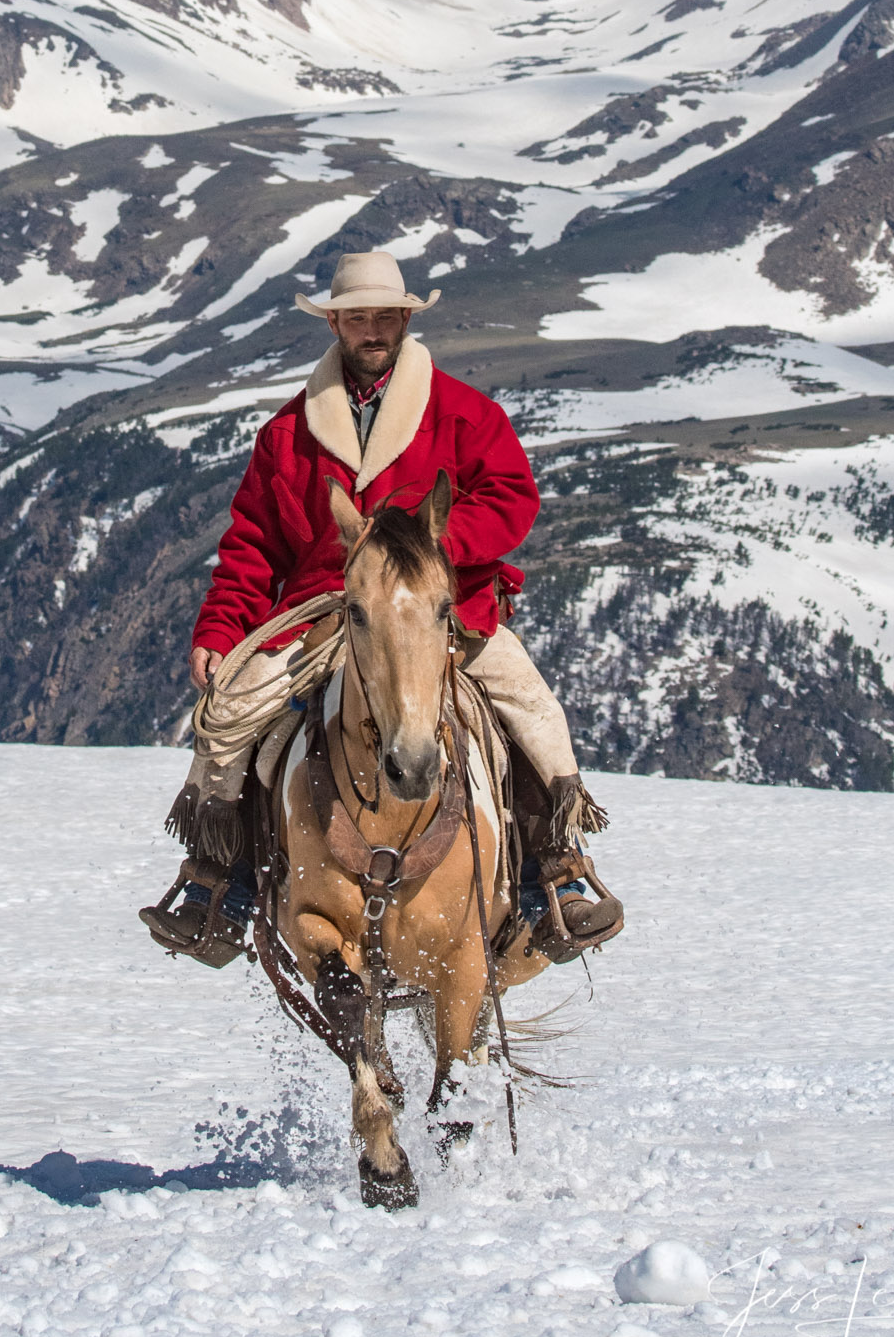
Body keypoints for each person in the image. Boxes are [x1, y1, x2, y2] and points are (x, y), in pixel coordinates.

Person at [140, 249, 622, 967]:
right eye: (357, 316)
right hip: (321, 613)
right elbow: (252, 544)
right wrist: (221, 628)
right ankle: (221, 883)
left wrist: (429, 557)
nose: (372, 328)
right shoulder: (286, 434)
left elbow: (512, 497)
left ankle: (551, 873)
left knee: (531, 707)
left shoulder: (464, 412)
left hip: (438, 611)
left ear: (405, 320)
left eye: (385, 316)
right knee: (229, 717)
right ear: (335, 323)